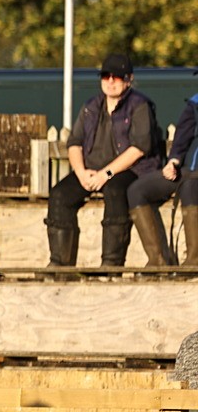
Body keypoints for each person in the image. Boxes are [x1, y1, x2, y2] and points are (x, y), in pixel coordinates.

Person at [45, 53, 163, 267]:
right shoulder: (91, 106)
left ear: (129, 79)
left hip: (131, 170)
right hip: (91, 170)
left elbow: (139, 148)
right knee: (59, 195)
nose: (110, 81)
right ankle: (59, 264)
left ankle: (111, 265)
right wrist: (80, 172)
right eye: (106, 76)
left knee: (116, 191)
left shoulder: (140, 106)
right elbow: (75, 142)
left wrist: (106, 173)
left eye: (116, 77)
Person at [127, 75, 198, 266]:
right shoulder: (194, 106)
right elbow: (182, 141)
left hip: (193, 179)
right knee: (137, 190)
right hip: (186, 171)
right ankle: (157, 260)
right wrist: (173, 161)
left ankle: (194, 259)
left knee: (191, 187)